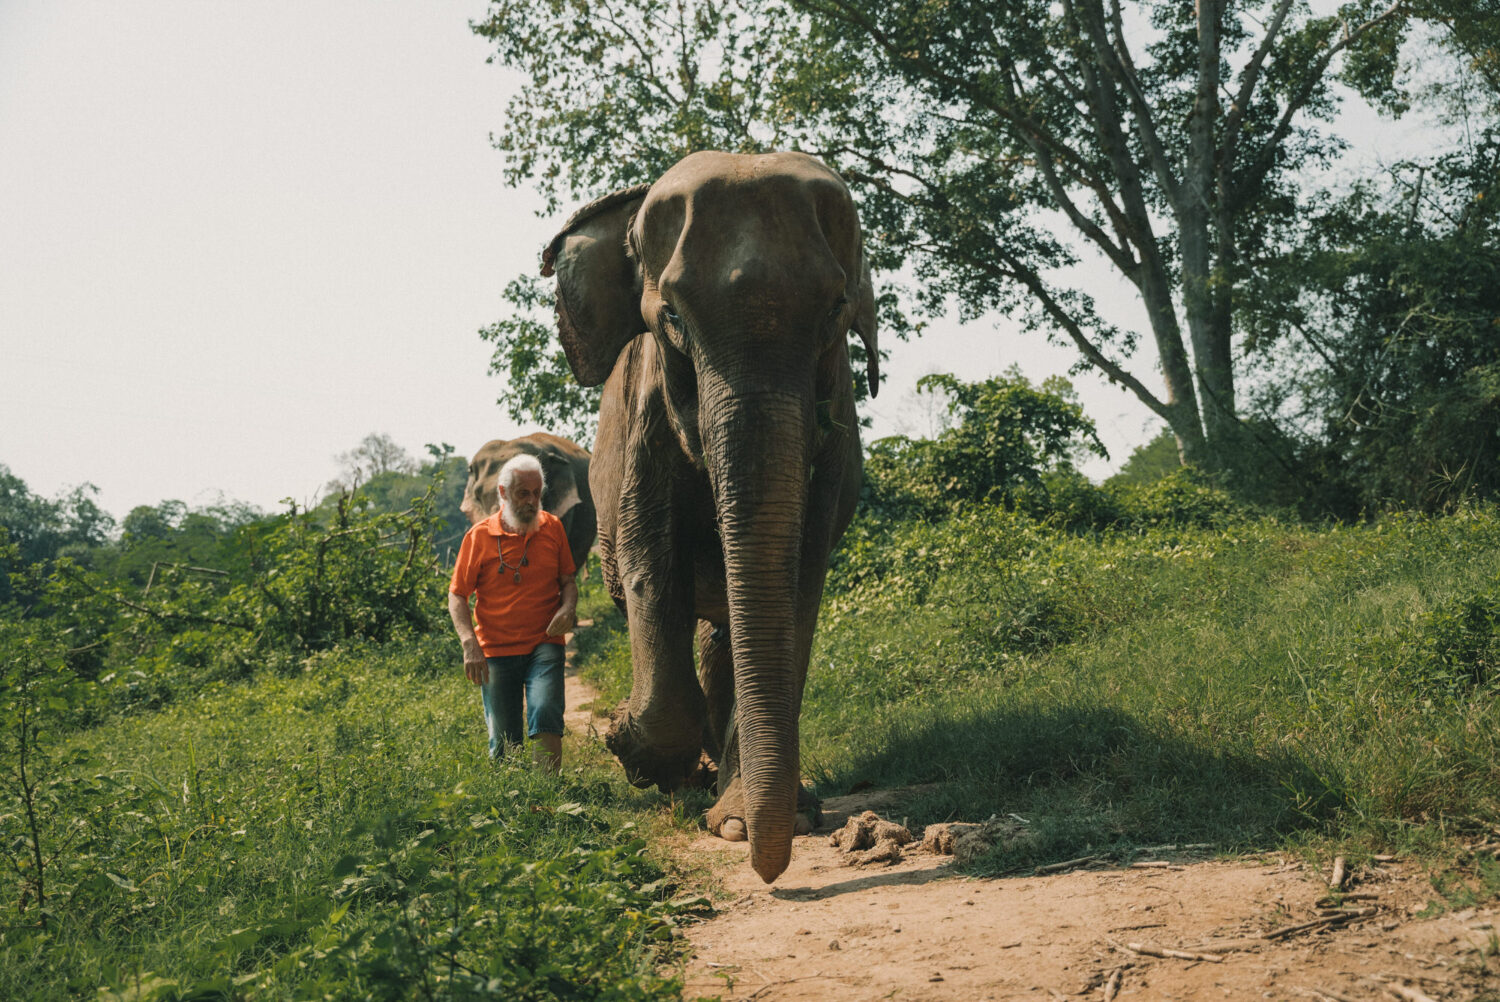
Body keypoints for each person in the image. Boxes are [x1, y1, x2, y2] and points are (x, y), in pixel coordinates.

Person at [448, 453, 578, 772]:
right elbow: (457, 596)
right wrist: (469, 644)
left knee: (546, 710)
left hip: (544, 642)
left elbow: (568, 581)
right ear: (503, 494)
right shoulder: (478, 537)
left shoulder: (554, 528)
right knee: (506, 747)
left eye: (537, 493)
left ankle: (549, 796)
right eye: (523, 493)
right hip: (494, 651)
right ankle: (516, 806)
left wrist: (568, 606)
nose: (532, 501)